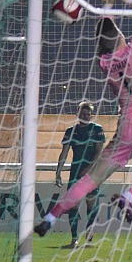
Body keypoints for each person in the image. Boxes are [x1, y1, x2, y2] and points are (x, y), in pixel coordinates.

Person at [34, 0, 132, 238]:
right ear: (122, 37)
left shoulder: (105, 63)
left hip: (125, 128)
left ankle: (51, 217)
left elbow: (106, 36)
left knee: (91, 179)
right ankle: (129, 197)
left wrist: (105, 7)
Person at [55, 101, 105, 246]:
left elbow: (99, 151)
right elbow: (63, 153)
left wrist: (89, 168)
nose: (86, 116)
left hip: (92, 174)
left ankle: (89, 231)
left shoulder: (97, 129)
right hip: (76, 173)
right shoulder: (71, 131)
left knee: (91, 204)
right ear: (78, 114)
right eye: (83, 114)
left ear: (91, 116)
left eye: (88, 114)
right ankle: (74, 238)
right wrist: (58, 172)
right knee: (73, 205)